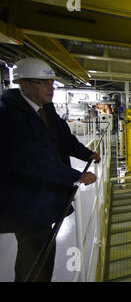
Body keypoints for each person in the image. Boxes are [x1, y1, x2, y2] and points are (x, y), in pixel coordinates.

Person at [0, 57, 101, 282]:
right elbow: (32, 160)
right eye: (43, 83)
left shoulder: (45, 109)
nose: (50, 88)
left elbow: (64, 138)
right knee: (37, 255)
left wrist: (88, 154)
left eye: (52, 83)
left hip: (40, 199)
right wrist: (77, 176)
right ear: (23, 85)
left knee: (38, 252)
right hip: (24, 201)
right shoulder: (9, 116)